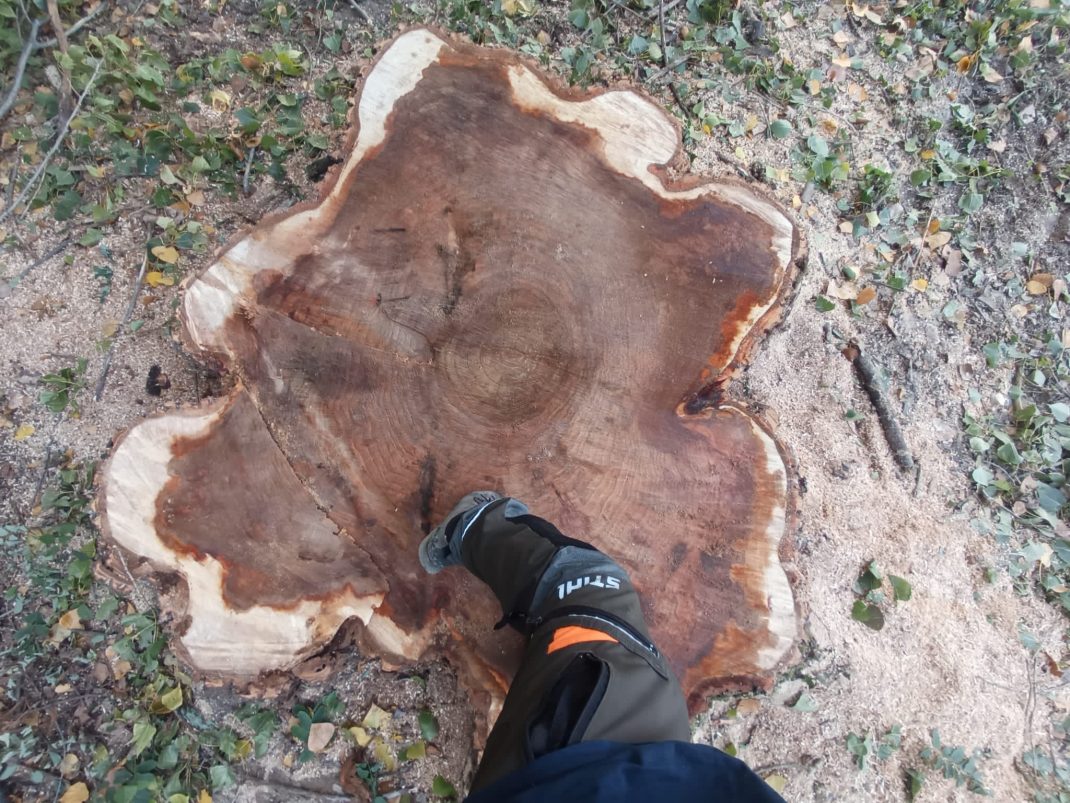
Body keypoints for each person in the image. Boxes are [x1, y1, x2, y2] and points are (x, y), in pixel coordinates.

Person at [419, 492, 787, 802]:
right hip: (642, 765)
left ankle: (479, 525)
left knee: (590, 610)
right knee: (592, 607)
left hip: (590, 771)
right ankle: (483, 531)